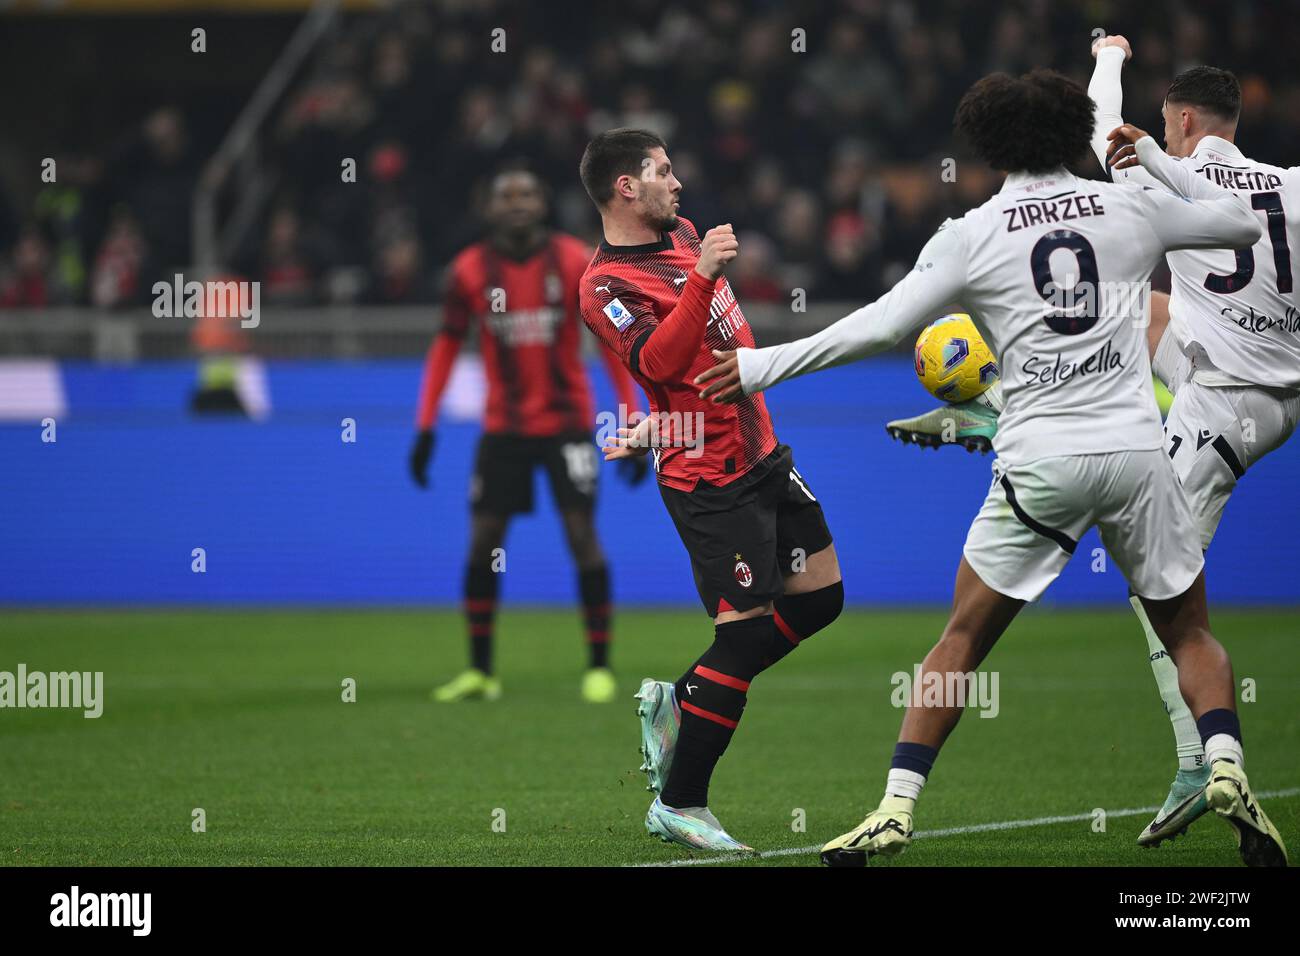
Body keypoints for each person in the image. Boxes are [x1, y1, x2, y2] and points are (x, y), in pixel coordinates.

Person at [696, 69, 1286, 867]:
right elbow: (1243, 230)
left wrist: (762, 366)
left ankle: (895, 809)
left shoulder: (972, 232)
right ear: (1076, 131)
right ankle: (1222, 763)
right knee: (1190, 634)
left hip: (1041, 461)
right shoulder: (1132, 204)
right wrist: (1153, 157)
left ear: (986, 144)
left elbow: (879, 327)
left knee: (961, 641)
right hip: (1137, 455)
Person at [883, 35, 1300, 849]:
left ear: (1180, 121)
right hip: (1266, 382)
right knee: (1139, 308)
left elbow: (1105, 121)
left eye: (1166, 126)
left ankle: (1199, 762)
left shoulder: (1156, 171)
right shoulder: (1289, 184)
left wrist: (1110, 55)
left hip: (1222, 401)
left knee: (1165, 592)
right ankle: (1006, 406)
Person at [579, 128, 843, 852]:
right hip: (710, 481)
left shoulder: (686, 236)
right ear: (626, 188)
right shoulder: (603, 285)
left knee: (822, 595)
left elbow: (703, 360)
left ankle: (683, 698)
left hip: (758, 447)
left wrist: (658, 424)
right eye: (663, 172)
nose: (678, 183)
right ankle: (681, 801)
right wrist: (700, 279)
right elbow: (662, 361)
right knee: (747, 631)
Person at [409, 167, 647, 704]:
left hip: (566, 427)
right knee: (483, 543)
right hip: (503, 430)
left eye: (526, 194)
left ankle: (599, 668)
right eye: (505, 196)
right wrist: (425, 427)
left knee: (582, 536)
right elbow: (446, 348)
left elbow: (614, 344)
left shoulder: (575, 262)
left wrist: (632, 418)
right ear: (489, 207)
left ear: (543, 203)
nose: (516, 204)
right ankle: (480, 672)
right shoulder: (469, 272)